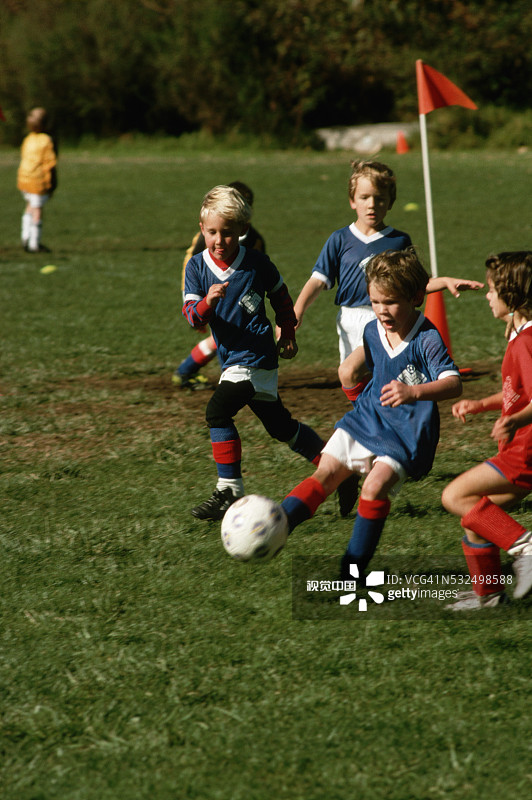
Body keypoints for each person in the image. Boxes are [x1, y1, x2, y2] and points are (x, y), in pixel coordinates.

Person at [278, 248, 462, 580]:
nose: (381, 310)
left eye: (390, 302)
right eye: (375, 301)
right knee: (326, 473)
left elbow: (454, 383)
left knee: (374, 488)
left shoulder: (427, 338)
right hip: (368, 417)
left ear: (415, 297)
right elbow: (374, 373)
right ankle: (275, 527)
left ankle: (351, 574)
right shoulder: (371, 329)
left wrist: (413, 392)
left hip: (407, 431)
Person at [183, 185, 353, 522]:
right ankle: (340, 472)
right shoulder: (197, 267)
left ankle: (229, 490)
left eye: (227, 232)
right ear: (202, 229)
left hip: (255, 357)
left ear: (243, 230)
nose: (219, 240)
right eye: (212, 232)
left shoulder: (257, 263)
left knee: (218, 412)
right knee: (280, 427)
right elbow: (192, 318)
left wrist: (287, 331)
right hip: (231, 360)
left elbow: (281, 297)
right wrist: (207, 303)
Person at [292, 159, 482, 404]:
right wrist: (297, 311)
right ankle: (376, 415)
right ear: (352, 200)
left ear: (390, 202)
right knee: (357, 379)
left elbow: (414, 284)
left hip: (383, 317)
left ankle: (371, 415)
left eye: (380, 199)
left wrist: (444, 281)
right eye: (364, 197)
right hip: (348, 320)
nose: (372, 204)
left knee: (352, 372)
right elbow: (318, 281)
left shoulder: (398, 241)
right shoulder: (339, 239)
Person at [442, 251, 532, 610]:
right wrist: (481, 404)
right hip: (521, 449)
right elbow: (517, 393)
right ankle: (489, 597)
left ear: (512, 295)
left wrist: (515, 421)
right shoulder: (519, 335)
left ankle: (525, 547)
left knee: (454, 496)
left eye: (492, 290)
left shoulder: (526, 342)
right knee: (477, 517)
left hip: (525, 450)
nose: (487, 296)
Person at [173, 181, 266, 390]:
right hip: (203, 289)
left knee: (229, 334)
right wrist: (200, 301)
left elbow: (261, 273)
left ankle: (190, 371)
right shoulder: (210, 235)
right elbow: (194, 264)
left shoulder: (254, 239)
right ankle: (192, 371)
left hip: (235, 293)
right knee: (224, 334)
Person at [17, 107, 57, 253]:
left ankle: (25, 237)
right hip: (37, 180)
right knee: (38, 210)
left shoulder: (28, 139)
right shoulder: (46, 140)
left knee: (30, 205)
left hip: (24, 179)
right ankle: (34, 243)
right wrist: (52, 184)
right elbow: (50, 163)